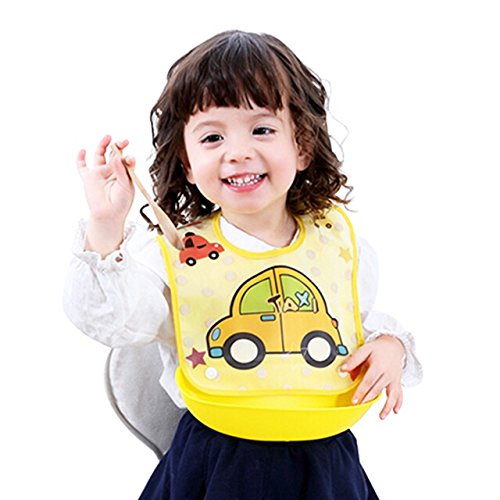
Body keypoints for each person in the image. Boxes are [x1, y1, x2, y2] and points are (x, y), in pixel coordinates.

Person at [64, 30, 422, 499]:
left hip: (324, 463)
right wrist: (106, 225)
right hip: (214, 464)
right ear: (187, 163)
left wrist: (391, 347)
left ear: (302, 146)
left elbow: (350, 321)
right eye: (213, 136)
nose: (237, 152)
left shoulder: (335, 244)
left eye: (262, 129)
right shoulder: (177, 253)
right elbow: (115, 322)